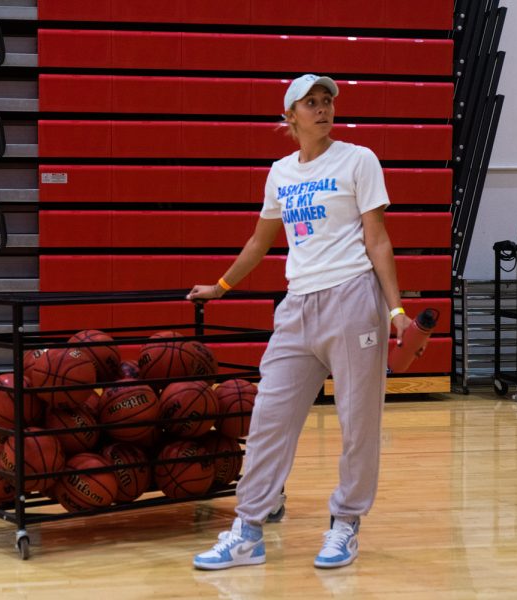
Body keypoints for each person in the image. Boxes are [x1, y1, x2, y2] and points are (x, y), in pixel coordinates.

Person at [185, 74, 412, 570]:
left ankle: (346, 524)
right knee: (269, 418)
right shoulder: (280, 173)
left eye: (327, 101)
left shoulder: (358, 159)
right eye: (311, 102)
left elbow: (378, 240)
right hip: (296, 307)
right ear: (290, 116)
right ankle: (248, 530)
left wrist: (395, 310)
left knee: (358, 423)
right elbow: (260, 241)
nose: (323, 108)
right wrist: (220, 287)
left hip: (353, 299)